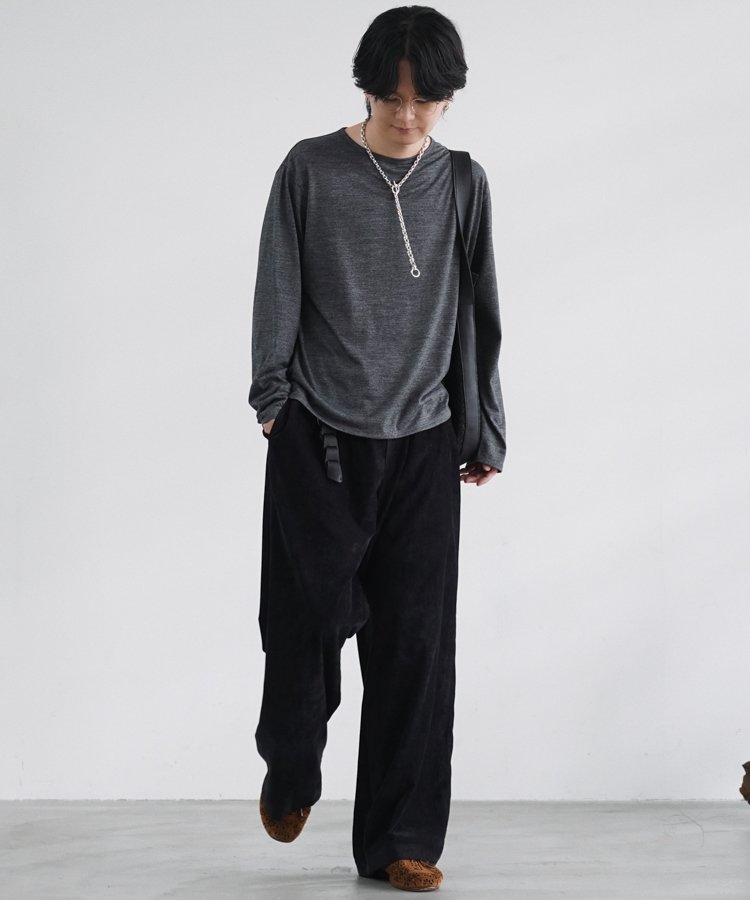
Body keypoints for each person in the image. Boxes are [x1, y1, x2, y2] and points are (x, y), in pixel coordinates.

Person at [247, 5, 506, 892]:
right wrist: (274, 401)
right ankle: (291, 761)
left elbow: (479, 313)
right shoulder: (311, 168)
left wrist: (482, 425)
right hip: (319, 435)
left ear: (447, 97)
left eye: (424, 99)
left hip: (425, 442)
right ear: (366, 90)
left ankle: (401, 839)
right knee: (305, 621)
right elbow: (277, 280)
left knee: (416, 648)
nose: (406, 114)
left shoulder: (462, 182)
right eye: (391, 96)